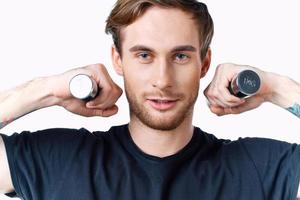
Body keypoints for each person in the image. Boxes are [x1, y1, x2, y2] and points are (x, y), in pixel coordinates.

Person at [0, 0, 299, 199]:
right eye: (144, 55)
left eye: (180, 56)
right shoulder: (61, 161)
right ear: (117, 60)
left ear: (204, 64)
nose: (163, 79)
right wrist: (47, 90)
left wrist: (276, 88)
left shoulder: (260, 167)